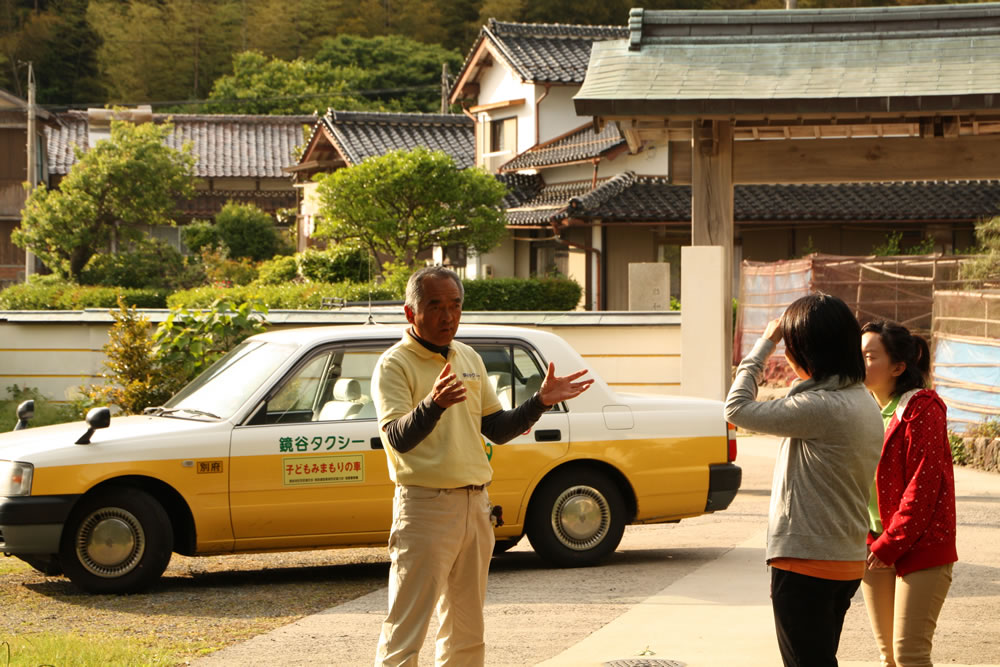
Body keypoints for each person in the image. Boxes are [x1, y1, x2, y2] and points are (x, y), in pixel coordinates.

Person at [371, 265, 593, 666]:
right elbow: (398, 438)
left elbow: (497, 428)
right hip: (425, 508)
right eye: (435, 306)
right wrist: (433, 405)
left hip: (475, 506)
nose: (447, 316)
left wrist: (539, 402)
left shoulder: (467, 357)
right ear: (410, 313)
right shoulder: (394, 364)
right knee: (407, 629)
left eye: (455, 305)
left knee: (466, 629)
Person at [725, 293, 884, 667]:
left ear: (808, 352)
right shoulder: (859, 399)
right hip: (842, 559)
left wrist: (765, 343)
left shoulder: (821, 407)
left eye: (791, 347)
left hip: (807, 563)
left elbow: (735, 409)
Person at [860, 320, 957, 667]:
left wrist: (889, 544)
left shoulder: (922, 409)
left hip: (921, 546)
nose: (861, 363)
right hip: (874, 545)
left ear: (898, 367)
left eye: (870, 357)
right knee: (889, 657)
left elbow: (922, 488)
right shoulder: (863, 409)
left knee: (910, 656)